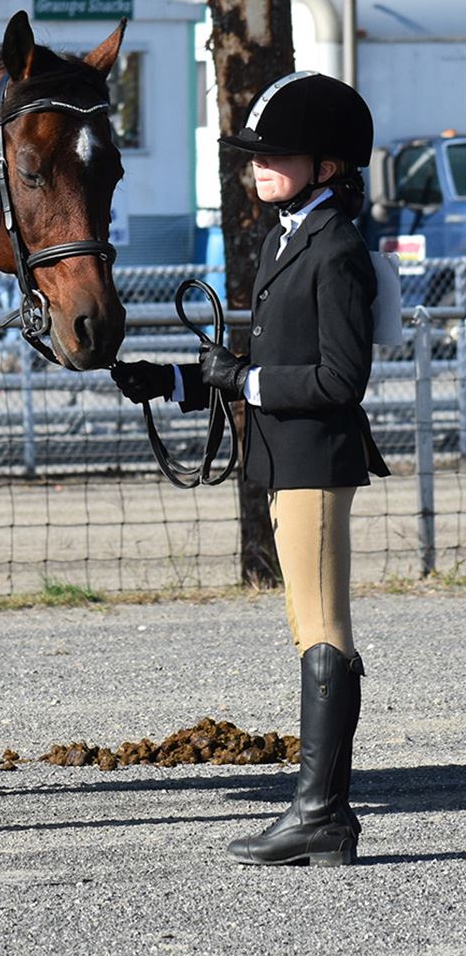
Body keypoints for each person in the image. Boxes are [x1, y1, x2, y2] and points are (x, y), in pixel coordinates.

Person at [111, 71, 389, 867]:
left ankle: (321, 813)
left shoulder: (335, 248)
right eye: (254, 155)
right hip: (283, 459)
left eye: (278, 155)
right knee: (312, 628)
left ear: (328, 166)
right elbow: (255, 362)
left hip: (315, 459)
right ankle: (321, 813)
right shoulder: (285, 236)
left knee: (324, 630)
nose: (258, 166)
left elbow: (340, 380)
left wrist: (246, 383)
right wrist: (170, 379)